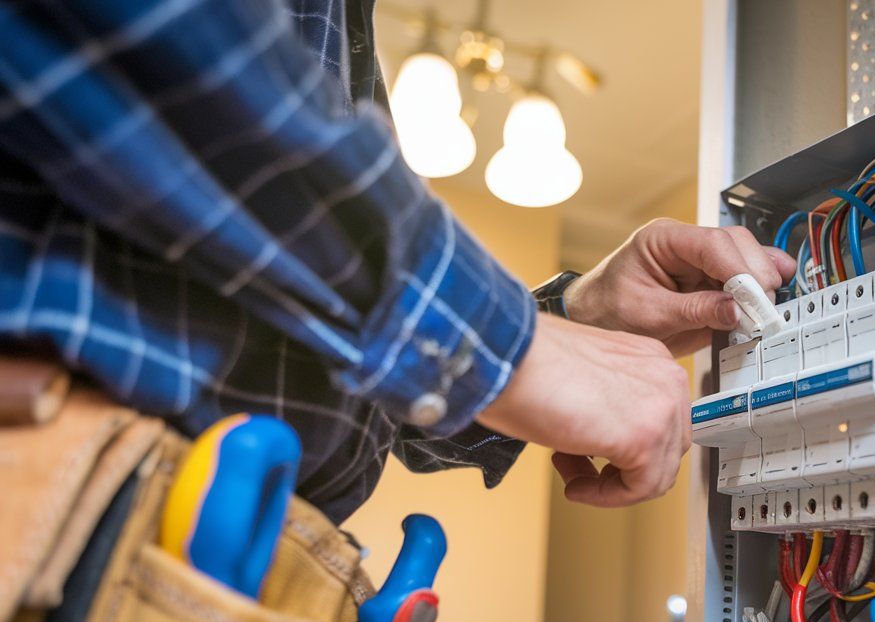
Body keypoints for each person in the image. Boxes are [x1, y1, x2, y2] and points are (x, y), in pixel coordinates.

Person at [0, 0, 794, 522]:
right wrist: (510, 351)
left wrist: (567, 319)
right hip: (59, 521)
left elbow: (330, 354)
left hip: (185, 563)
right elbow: (160, 48)